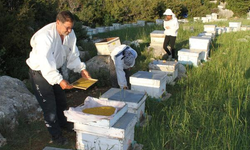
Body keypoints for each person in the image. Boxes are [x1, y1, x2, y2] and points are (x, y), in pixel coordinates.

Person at [26, 10, 91, 145]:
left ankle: (64, 124)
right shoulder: (45, 37)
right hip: (39, 72)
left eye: (71, 27)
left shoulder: (70, 33)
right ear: (57, 23)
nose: (69, 31)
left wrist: (81, 69)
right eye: (67, 27)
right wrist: (60, 80)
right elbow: (46, 64)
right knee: (49, 106)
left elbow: (72, 54)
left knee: (61, 101)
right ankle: (56, 136)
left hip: (55, 69)